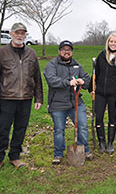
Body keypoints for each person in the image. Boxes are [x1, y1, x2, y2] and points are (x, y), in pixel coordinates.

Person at [0, 22, 43, 169]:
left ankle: (15, 156)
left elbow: (37, 77)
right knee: (3, 128)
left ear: (25, 35)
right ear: (11, 34)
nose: (19, 36)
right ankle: (0, 157)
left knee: (21, 128)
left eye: (22, 33)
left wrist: (38, 98)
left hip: (26, 97)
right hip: (6, 97)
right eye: (17, 33)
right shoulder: (2, 52)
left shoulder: (31, 53)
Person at [44, 40, 92, 164]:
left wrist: (83, 81)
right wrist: (67, 82)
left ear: (72, 52)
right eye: (64, 50)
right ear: (59, 51)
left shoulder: (76, 65)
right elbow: (51, 80)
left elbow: (87, 79)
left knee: (82, 126)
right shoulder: (52, 65)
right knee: (59, 129)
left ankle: (84, 150)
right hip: (58, 103)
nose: (67, 52)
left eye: (69, 50)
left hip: (75, 102)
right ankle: (58, 153)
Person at [89, 33, 116, 154]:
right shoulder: (102, 56)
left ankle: (110, 143)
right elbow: (95, 74)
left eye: (115, 42)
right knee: (99, 118)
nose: (113, 44)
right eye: (111, 41)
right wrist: (91, 88)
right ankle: (102, 142)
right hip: (100, 93)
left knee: (112, 118)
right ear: (108, 43)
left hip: (114, 94)